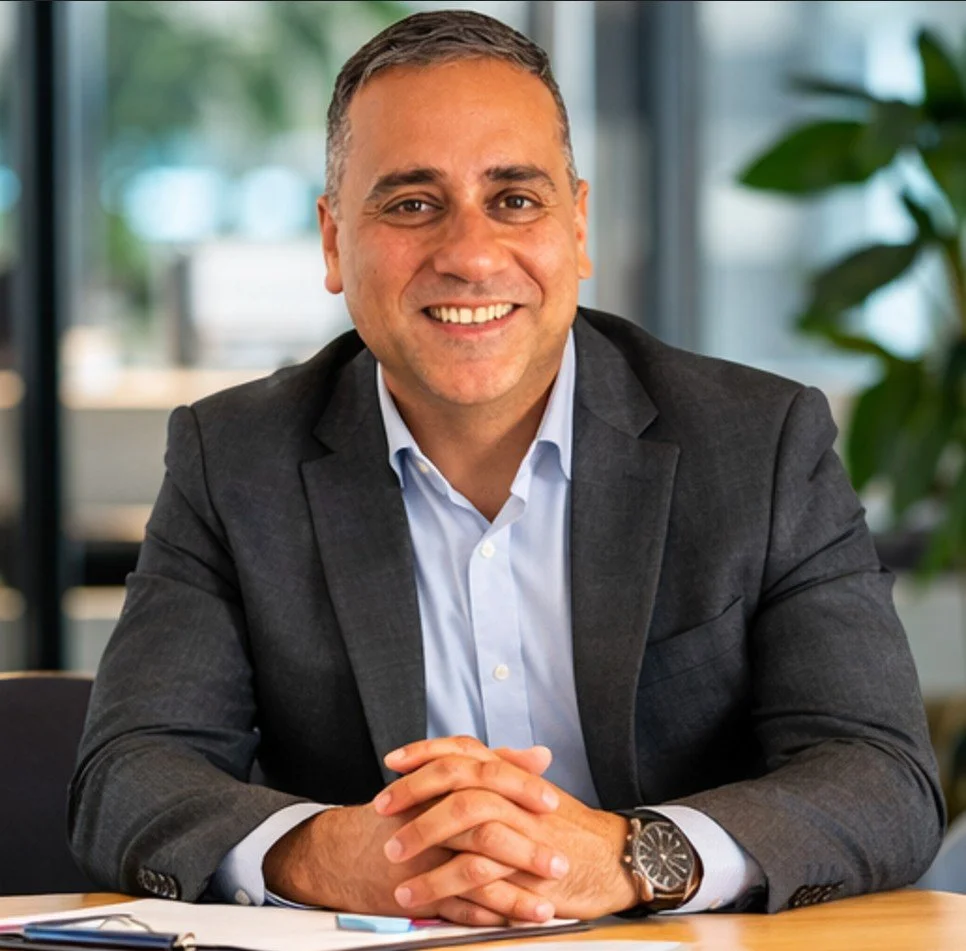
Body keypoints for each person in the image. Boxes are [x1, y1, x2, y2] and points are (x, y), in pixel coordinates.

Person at [69, 9, 944, 923]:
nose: (471, 255)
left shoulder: (759, 442)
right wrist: (333, 853)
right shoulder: (234, 459)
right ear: (334, 241)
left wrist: (629, 855)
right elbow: (129, 773)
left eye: (515, 200)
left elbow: (877, 772)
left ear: (578, 226)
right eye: (412, 203)